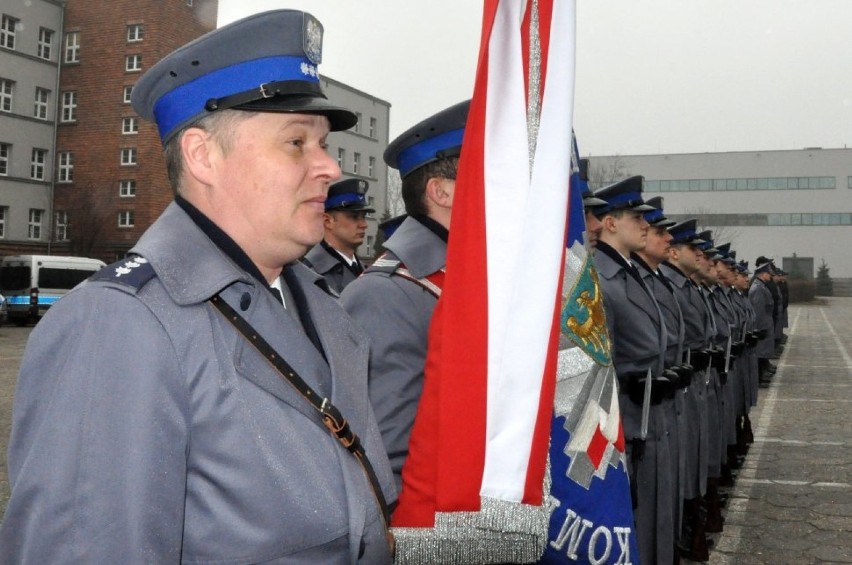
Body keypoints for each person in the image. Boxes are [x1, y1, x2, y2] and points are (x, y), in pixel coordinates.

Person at [0, 11, 396, 563]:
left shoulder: (318, 304)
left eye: (323, 143)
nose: (328, 166)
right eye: (296, 142)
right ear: (203, 156)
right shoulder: (121, 325)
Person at [340, 101, 469, 490]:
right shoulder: (386, 292)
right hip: (438, 532)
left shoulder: (465, 274)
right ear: (441, 192)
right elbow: (385, 455)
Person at [590, 177, 676, 565]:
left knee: (654, 501)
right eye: (635, 219)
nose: (645, 226)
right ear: (610, 224)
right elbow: (595, 366)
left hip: (647, 407)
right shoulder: (600, 279)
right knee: (633, 510)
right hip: (625, 415)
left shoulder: (630, 273)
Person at [302, 178, 375, 294]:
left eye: (364, 216)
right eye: (354, 217)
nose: (364, 225)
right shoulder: (310, 273)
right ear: (327, 221)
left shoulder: (366, 270)